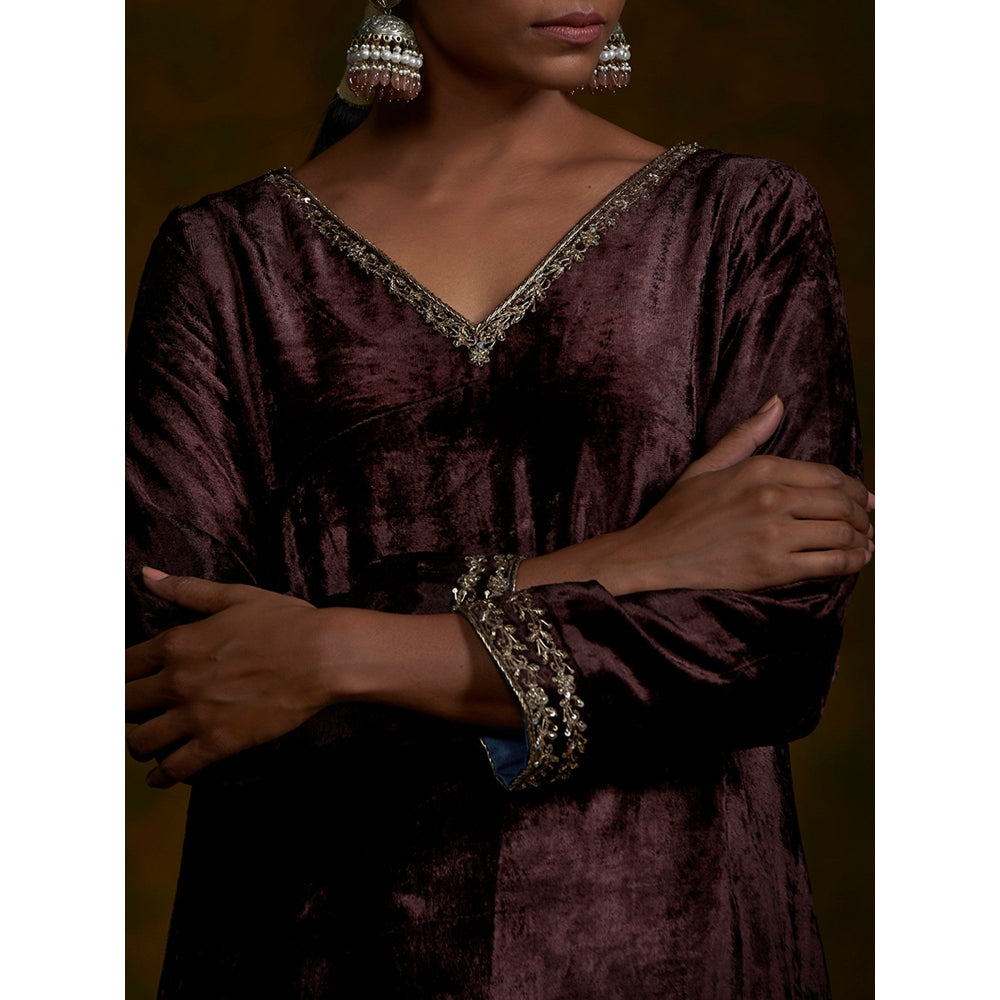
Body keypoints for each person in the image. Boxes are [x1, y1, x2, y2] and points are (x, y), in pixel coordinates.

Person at [126, 1, 873, 996]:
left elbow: (768, 651)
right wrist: (627, 562)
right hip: (320, 946)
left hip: (672, 939)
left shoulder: (741, 222)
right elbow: (185, 679)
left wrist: (332, 652)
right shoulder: (229, 258)